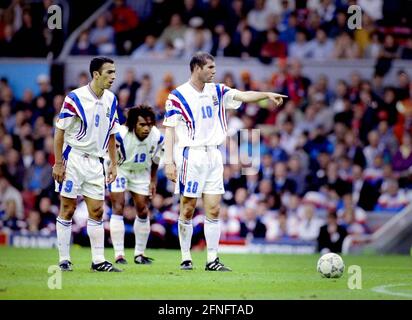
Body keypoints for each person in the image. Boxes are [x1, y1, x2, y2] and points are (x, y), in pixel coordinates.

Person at [163, 52, 286, 271]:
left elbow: (243, 95)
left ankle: (212, 259)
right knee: (188, 207)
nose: (214, 71)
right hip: (191, 155)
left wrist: (266, 94)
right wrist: (169, 162)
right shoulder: (177, 96)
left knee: (214, 208)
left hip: (214, 155)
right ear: (197, 68)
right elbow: (170, 130)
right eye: (210, 67)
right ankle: (185, 257)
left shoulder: (218, 90)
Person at [53, 56, 121, 272]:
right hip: (73, 158)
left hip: (96, 162)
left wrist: (113, 163)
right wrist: (58, 163)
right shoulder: (75, 97)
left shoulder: (111, 99)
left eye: (114, 72)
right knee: (68, 208)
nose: (113, 76)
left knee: (98, 210)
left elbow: (111, 133)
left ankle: (98, 260)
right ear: (96, 75)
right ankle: (64, 259)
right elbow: (60, 132)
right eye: (109, 72)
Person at [108, 105, 164, 265]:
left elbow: (155, 160)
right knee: (118, 206)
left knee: (143, 209)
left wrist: (153, 180)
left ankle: (139, 254)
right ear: (133, 124)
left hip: (141, 172)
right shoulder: (121, 135)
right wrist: (111, 168)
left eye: (149, 124)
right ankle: (119, 254)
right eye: (142, 125)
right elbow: (109, 150)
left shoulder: (157, 137)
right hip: (121, 169)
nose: (146, 128)